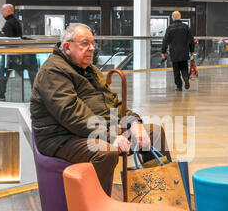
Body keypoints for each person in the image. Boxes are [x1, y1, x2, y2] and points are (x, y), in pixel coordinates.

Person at [30, 23, 172, 196]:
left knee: (153, 133)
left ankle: (161, 197)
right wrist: (111, 137)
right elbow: (71, 115)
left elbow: (112, 105)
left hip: (93, 130)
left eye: (92, 43)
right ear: (67, 47)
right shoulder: (53, 72)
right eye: (84, 44)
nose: (91, 48)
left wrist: (134, 122)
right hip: (61, 137)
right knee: (105, 152)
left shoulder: (91, 70)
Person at [0, 4, 38, 101]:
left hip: (11, 55)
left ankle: (1, 94)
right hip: (16, 55)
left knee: (3, 73)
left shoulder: (9, 23)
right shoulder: (16, 22)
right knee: (28, 75)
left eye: (3, 10)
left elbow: (9, 39)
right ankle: (37, 94)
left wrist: (0, 35)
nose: (2, 12)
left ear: (8, 11)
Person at [161, 11, 195, 91]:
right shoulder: (186, 27)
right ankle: (186, 77)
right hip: (184, 51)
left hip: (174, 52)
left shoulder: (170, 28)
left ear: (173, 18)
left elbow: (165, 40)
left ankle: (179, 86)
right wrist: (192, 50)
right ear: (180, 17)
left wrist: (163, 51)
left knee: (176, 69)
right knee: (184, 67)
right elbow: (191, 40)